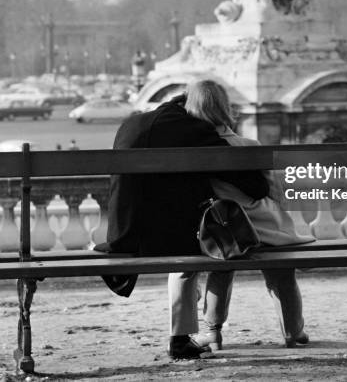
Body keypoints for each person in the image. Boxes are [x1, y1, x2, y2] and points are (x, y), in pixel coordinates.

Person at [94, 94, 269, 359]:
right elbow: (253, 185)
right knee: (212, 250)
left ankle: (188, 334)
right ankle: (185, 337)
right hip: (165, 240)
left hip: (124, 238)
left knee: (187, 246)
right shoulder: (193, 129)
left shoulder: (132, 123)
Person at [183, 79, 314, 350]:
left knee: (220, 269)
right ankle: (293, 331)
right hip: (267, 228)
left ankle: (213, 331)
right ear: (225, 108)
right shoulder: (250, 145)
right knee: (282, 273)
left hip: (227, 232)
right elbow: (275, 193)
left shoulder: (195, 153)